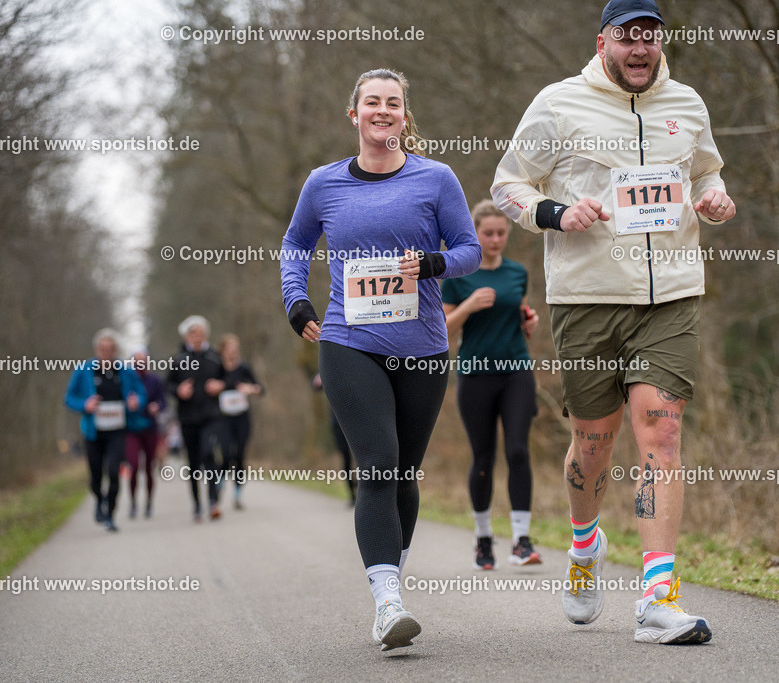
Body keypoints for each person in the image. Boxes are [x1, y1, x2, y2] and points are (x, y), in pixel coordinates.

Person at [491, 0, 736, 645]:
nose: (639, 49)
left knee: (660, 430)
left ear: (660, 43)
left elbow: (707, 172)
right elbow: (508, 184)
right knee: (593, 440)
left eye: (650, 37)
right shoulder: (559, 103)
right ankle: (583, 545)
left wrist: (714, 198)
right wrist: (555, 214)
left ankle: (658, 596)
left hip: (672, 296)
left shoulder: (688, 104)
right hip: (588, 297)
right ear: (603, 41)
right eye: (627, 37)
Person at [279, 68, 481, 651]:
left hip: (422, 345)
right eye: (373, 102)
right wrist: (296, 299)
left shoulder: (436, 178)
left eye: (393, 103)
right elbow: (295, 244)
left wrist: (436, 264)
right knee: (377, 463)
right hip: (348, 340)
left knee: (403, 475)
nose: (383, 111)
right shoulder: (323, 183)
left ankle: (389, 568)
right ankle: (388, 600)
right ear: (355, 114)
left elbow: (467, 249)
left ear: (404, 115)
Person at [442, 200, 542, 571]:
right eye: (489, 233)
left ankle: (521, 540)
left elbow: (522, 316)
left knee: (517, 450)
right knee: (483, 457)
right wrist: (467, 306)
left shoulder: (517, 272)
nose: (496, 239)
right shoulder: (457, 275)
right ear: (475, 233)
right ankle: (483, 538)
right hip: (475, 374)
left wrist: (528, 324)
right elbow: (443, 329)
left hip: (516, 370)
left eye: (502, 233)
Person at [65, 329, 146, 532]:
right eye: (103, 349)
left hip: (118, 431)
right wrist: (85, 404)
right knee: (95, 476)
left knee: (114, 472)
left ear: (116, 350)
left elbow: (141, 394)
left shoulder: (125, 371)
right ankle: (99, 499)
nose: (106, 353)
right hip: (93, 432)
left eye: (110, 350)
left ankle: (110, 514)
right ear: (96, 350)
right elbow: (69, 398)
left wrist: (136, 402)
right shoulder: (84, 370)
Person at [167, 315, 227, 522]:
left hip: (211, 416)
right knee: (193, 464)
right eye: (193, 334)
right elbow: (168, 386)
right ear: (186, 336)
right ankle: (196, 506)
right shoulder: (177, 360)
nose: (197, 337)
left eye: (200, 333)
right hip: (188, 418)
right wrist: (178, 390)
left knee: (208, 454)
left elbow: (229, 380)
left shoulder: (215, 357)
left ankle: (212, 501)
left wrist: (221, 386)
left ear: (206, 335)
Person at [216, 334, 264, 510]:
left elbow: (260, 389)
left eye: (236, 349)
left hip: (242, 418)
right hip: (223, 419)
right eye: (230, 349)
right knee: (226, 454)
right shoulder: (217, 369)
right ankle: (219, 483)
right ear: (222, 351)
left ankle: (237, 494)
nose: (233, 352)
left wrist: (251, 389)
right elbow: (208, 387)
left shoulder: (244, 368)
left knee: (240, 455)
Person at [125, 346, 166, 519]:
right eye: (137, 361)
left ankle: (149, 503)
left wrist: (157, 406)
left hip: (150, 428)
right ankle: (133, 503)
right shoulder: (126, 380)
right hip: (131, 430)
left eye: (143, 361)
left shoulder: (155, 380)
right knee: (133, 466)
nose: (140, 364)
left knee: (149, 468)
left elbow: (164, 402)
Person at [312, 373, 358, 505]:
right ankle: (352, 494)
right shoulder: (332, 363)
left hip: (359, 420)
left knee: (363, 457)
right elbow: (315, 385)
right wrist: (319, 379)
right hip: (338, 422)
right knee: (346, 458)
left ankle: (364, 488)